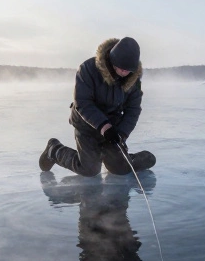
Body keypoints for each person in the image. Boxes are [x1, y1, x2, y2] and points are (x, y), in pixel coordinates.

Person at [39, 37, 156, 176]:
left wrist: (122, 134)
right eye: (122, 68)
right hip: (86, 124)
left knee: (119, 169)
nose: (125, 73)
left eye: (128, 70)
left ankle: (125, 160)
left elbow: (133, 109)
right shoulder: (88, 69)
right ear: (113, 60)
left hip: (113, 127)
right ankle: (54, 149)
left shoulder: (133, 79)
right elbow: (83, 102)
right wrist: (104, 127)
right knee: (89, 169)